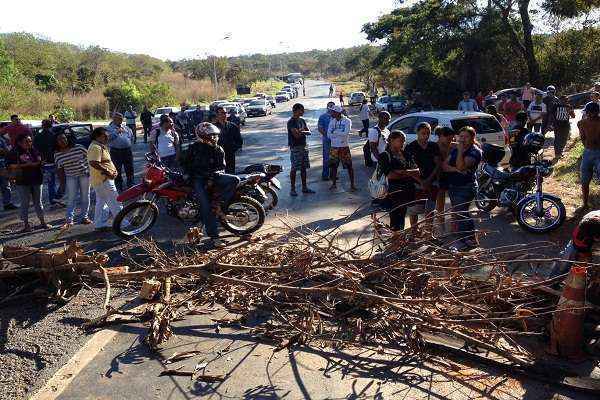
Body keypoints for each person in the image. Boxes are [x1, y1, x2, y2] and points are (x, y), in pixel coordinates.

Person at [180, 122, 240, 248]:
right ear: (202, 136)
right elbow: (185, 164)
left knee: (234, 180)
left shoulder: (219, 149)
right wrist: (187, 174)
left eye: (215, 135)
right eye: (210, 136)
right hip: (198, 180)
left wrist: (212, 177)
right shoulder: (193, 148)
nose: (213, 138)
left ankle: (220, 204)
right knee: (206, 208)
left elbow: (222, 167)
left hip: (213, 177)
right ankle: (214, 237)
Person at [442, 126, 482, 249]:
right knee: (461, 213)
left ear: (472, 138)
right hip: (454, 186)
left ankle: (464, 241)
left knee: (461, 213)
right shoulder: (455, 150)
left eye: (466, 137)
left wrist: (459, 151)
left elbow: (461, 166)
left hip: (466, 187)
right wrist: (456, 169)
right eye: (461, 136)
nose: (462, 139)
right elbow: (444, 166)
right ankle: (470, 240)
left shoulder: (474, 152)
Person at [378, 130, 420, 231]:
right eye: (400, 140)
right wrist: (408, 173)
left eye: (404, 141)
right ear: (391, 140)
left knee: (402, 217)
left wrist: (402, 172)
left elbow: (417, 171)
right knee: (395, 219)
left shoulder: (405, 154)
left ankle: (398, 241)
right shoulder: (385, 155)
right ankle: (395, 241)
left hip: (407, 191)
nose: (403, 143)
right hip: (393, 193)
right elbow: (391, 175)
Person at [6, 134, 49, 232]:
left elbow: (40, 160)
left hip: (37, 179)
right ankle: (26, 225)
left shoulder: (34, 150)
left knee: (38, 202)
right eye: (27, 141)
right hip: (22, 181)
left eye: (30, 141)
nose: (29, 143)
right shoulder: (14, 152)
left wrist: (40, 163)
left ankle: (43, 222)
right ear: (20, 142)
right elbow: (10, 165)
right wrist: (25, 165)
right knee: (25, 203)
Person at [405, 122, 441, 234]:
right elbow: (408, 168)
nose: (425, 136)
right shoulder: (410, 147)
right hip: (415, 183)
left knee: (430, 210)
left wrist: (429, 180)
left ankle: (429, 233)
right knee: (414, 210)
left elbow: (438, 164)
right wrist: (421, 181)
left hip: (432, 182)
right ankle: (414, 231)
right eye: (423, 133)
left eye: (428, 133)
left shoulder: (433, 146)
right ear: (417, 133)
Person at [549, 210, 600, 279]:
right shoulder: (585, 225)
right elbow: (580, 246)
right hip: (581, 241)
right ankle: (553, 280)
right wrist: (585, 257)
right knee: (566, 260)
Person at [87, 127, 121, 231]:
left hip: (102, 180)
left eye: (107, 135)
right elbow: (93, 162)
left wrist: (113, 171)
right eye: (104, 136)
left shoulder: (100, 146)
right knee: (115, 202)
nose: (107, 137)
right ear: (97, 137)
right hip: (103, 180)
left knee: (102, 203)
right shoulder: (95, 147)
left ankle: (99, 224)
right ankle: (123, 223)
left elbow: (105, 161)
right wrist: (108, 171)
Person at [54, 133, 91, 227]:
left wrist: (90, 171)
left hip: (84, 175)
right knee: (71, 198)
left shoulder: (78, 147)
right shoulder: (57, 154)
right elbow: (60, 169)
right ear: (56, 142)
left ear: (67, 139)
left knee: (85, 197)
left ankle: (84, 217)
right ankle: (69, 220)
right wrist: (62, 183)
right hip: (71, 177)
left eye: (64, 138)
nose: (62, 141)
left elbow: (90, 158)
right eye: (59, 140)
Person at [287, 103, 315, 196]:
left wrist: (301, 132)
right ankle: (292, 189)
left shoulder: (302, 120)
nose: (303, 112)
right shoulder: (291, 122)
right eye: (301, 110)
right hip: (295, 147)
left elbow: (309, 132)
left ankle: (304, 187)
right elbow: (296, 135)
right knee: (294, 168)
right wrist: (303, 132)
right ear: (296, 110)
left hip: (303, 146)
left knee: (303, 168)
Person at [33, 119, 62, 206]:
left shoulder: (38, 136)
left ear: (42, 126)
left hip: (44, 162)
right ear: (51, 125)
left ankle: (52, 199)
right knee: (64, 180)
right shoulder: (54, 136)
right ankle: (56, 197)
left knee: (50, 182)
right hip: (55, 161)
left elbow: (35, 149)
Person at [327, 105, 356, 191]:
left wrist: (335, 132)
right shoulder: (332, 121)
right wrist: (339, 133)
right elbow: (328, 135)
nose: (331, 113)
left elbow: (346, 133)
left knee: (349, 166)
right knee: (333, 166)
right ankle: (334, 184)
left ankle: (352, 185)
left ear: (338, 113)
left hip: (344, 146)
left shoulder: (347, 121)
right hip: (334, 146)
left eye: (333, 112)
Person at [578, 102, 600, 209]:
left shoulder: (582, 123)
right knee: (585, 180)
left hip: (595, 152)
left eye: (593, 113)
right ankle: (585, 204)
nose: (591, 115)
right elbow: (582, 138)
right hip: (588, 152)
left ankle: (589, 204)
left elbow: (583, 138)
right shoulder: (581, 123)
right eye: (589, 113)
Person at [434, 126, 456, 230]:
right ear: (441, 136)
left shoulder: (454, 146)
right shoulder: (434, 147)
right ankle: (441, 227)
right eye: (448, 139)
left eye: (452, 139)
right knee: (440, 205)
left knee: (455, 203)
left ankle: (454, 226)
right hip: (439, 177)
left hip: (452, 177)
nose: (450, 141)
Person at [106, 112, 134, 192]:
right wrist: (116, 132)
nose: (121, 120)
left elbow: (131, 136)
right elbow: (107, 138)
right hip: (116, 151)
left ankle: (130, 183)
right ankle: (118, 185)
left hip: (127, 150)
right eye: (119, 119)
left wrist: (128, 142)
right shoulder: (109, 128)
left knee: (129, 168)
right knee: (117, 168)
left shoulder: (126, 127)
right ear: (114, 119)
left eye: (121, 119)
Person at [214, 106, 243, 174]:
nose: (224, 115)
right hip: (217, 156)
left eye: (225, 113)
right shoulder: (213, 127)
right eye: (222, 113)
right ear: (217, 115)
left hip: (230, 155)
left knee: (231, 174)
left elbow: (239, 140)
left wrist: (233, 148)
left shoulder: (232, 126)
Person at [550, 95, 575, 159]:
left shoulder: (569, 106)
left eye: (566, 100)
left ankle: (560, 152)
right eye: (564, 100)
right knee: (557, 138)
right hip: (557, 124)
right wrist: (552, 124)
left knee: (564, 139)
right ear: (560, 100)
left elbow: (573, 116)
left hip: (566, 125)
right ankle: (557, 153)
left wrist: (570, 111)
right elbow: (552, 115)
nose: (565, 101)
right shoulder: (555, 106)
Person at [317, 102, 335, 181]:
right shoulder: (322, 117)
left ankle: (333, 174)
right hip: (327, 140)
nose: (331, 107)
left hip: (335, 141)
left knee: (334, 158)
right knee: (327, 158)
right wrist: (327, 135)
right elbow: (320, 129)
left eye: (333, 106)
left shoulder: (336, 116)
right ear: (327, 107)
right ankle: (325, 175)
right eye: (330, 106)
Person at [0, 133, 17, 210]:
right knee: (5, 184)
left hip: (2, 164)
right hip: (2, 164)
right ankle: (7, 203)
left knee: (6, 184)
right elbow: (6, 150)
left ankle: (7, 203)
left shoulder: (2, 139)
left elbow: (7, 151)